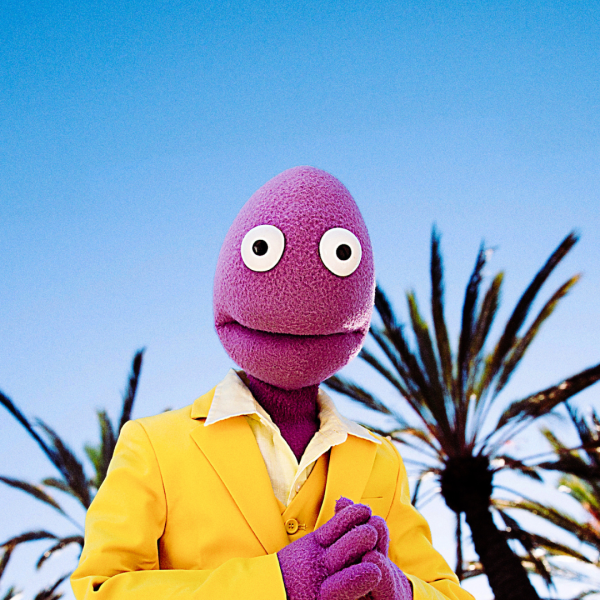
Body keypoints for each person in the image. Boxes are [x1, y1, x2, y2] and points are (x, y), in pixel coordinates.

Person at [71, 166, 473, 600]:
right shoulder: (152, 444)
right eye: (263, 250)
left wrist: (399, 589)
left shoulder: (380, 460)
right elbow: (101, 588)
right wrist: (277, 584)